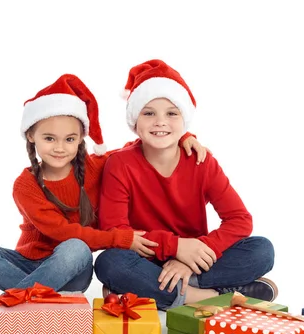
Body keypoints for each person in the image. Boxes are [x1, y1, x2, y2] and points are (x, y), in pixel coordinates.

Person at [0, 73, 207, 331]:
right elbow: (61, 231)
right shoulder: (25, 185)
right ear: (31, 136)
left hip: (74, 270)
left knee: (76, 248)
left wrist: (184, 136)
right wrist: (121, 239)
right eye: (49, 138)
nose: (60, 148)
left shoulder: (97, 167)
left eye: (69, 139)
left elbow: (143, 144)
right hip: (28, 263)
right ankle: (48, 304)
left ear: (81, 139)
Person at [94, 59, 276, 311]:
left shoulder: (201, 161)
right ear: (135, 121)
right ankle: (211, 297)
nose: (160, 122)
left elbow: (239, 219)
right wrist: (176, 247)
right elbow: (114, 230)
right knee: (109, 262)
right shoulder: (120, 164)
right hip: (146, 258)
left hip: (196, 258)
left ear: (184, 119)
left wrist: (190, 260)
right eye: (148, 113)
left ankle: (168, 289)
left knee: (262, 249)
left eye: (171, 113)